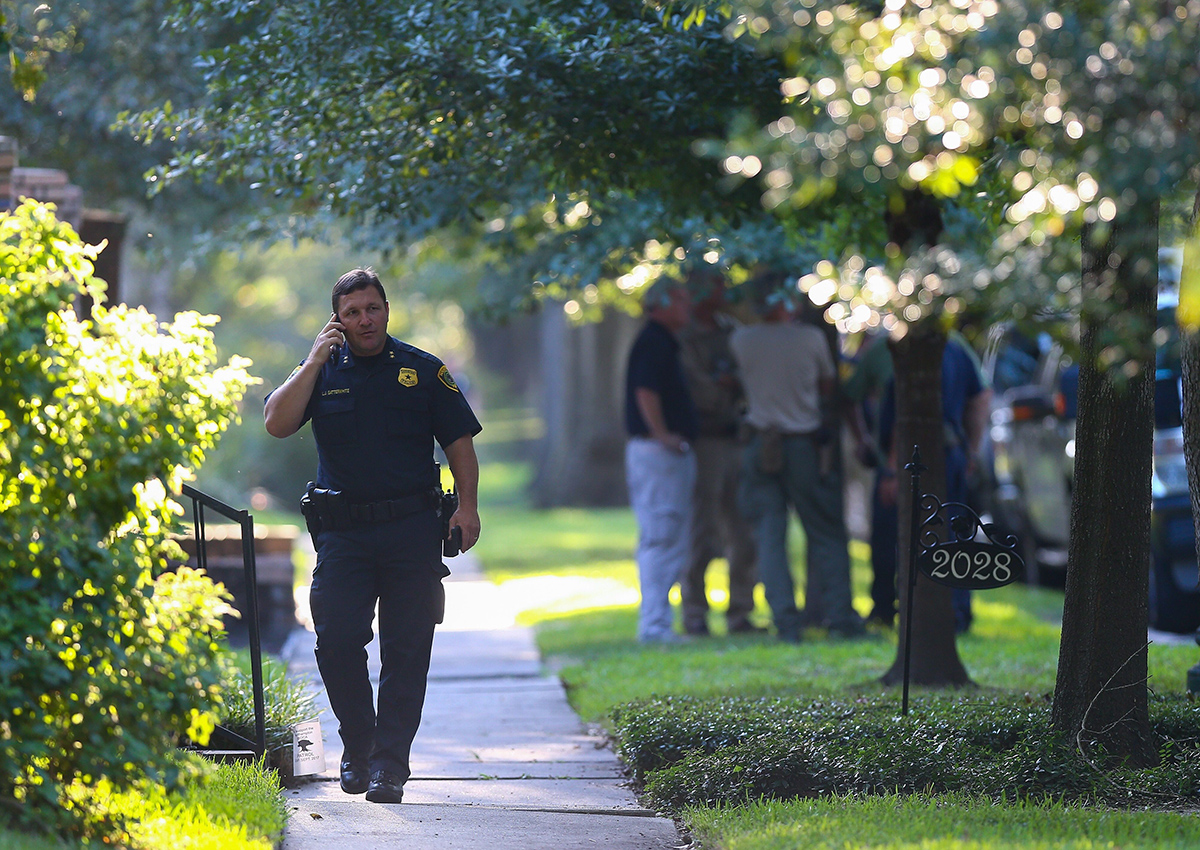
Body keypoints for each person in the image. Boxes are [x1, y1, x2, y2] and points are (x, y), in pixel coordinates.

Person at [264, 268, 482, 804]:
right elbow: (275, 421)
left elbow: (459, 445)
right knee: (336, 642)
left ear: (387, 310)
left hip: (411, 531)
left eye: (373, 308)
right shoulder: (319, 370)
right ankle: (358, 749)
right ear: (337, 319)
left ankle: (389, 766)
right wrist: (314, 361)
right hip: (344, 535)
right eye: (353, 311)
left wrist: (468, 508)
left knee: (408, 649)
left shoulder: (422, 370)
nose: (365, 319)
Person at [730, 275, 864, 643]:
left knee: (770, 536)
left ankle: (786, 623)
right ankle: (840, 618)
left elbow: (737, 383)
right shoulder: (810, 338)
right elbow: (826, 386)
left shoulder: (741, 340)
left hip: (760, 442)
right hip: (804, 444)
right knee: (825, 531)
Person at [875, 331, 990, 632]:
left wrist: (890, 471)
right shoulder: (956, 347)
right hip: (952, 451)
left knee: (917, 535)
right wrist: (972, 451)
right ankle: (956, 611)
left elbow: (904, 418)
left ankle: (925, 614)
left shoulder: (908, 350)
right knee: (952, 533)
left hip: (919, 458)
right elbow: (980, 399)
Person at [677, 282, 760, 635]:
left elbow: (753, 376)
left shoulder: (733, 332)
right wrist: (720, 386)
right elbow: (693, 386)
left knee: (744, 530)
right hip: (704, 442)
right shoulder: (684, 338)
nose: (723, 290)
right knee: (703, 530)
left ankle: (740, 611)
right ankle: (694, 611)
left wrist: (734, 383)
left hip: (738, 438)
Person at [624, 277, 699, 644]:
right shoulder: (654, 341)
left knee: (670, 537)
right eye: (681, 300)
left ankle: (659, 623)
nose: (688, 306)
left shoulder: (663, 341)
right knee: (661, 534)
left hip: (662, 453)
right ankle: (654, 626)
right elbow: (645, 390)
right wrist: (662, 434)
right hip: (658, 454)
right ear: (662, 303)